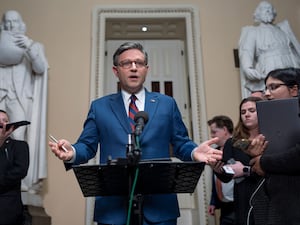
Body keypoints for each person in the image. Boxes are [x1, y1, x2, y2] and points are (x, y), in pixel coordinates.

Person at [48, 41, 222, 225]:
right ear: (116, 71)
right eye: (126, 63)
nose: (133, 68)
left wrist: (195, 152)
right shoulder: (99, 107)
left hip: (160, 209)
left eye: (138, 63)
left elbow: (180, 143)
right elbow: (87, 146)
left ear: (146, 69)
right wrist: (72, 152)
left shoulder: (167, 104)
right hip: (113, 210)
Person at [0, 10, 48, 198]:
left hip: (18, 97)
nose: (11, 26)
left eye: (14, 22)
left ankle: (15, 181)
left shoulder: (33, 45)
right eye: (7, 22)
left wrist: (29, 48)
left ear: (20, 24)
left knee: (16, 134)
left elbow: (40, 68)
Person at [247, 68, 300, 225]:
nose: (267, 94)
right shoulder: (269, 121)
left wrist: (262, 161)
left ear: (294, 89)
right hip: (277, 201)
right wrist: (257, 156)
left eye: (274, 87)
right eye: (266, 88)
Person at [214, 97, 265, 225]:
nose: (246, 114)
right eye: (243, 112)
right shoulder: (232, 143)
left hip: (267, 194)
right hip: (242, 197)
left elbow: (271, 168)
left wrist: (244, 170)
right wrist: (217, 169)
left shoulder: (270, 138)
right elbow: (226, 177)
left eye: (251, 110)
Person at [238, 1, 300, 98]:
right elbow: (246, 52)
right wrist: (248, 69)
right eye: (264, 8)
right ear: (258, 13)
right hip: (269, 66)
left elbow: (293, 51)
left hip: (288, 66)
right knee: (273, 94)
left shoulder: (282, 29)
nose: (268, 10)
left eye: (270, 8)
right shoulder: (253, 32)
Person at [0, 109, 30, 225]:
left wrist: (2, 140)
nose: (2, 125)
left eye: (5, 121)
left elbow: (20, 171)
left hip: (8, 209)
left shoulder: (20, 146)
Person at [207, 115, 236, 225]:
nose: (212, 136)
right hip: (224, 206)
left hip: (238, 203)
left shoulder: (238, 148)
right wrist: (213, 202)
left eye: (214, 132)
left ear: (224, 130)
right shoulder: (215, 152)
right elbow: (215, 178)